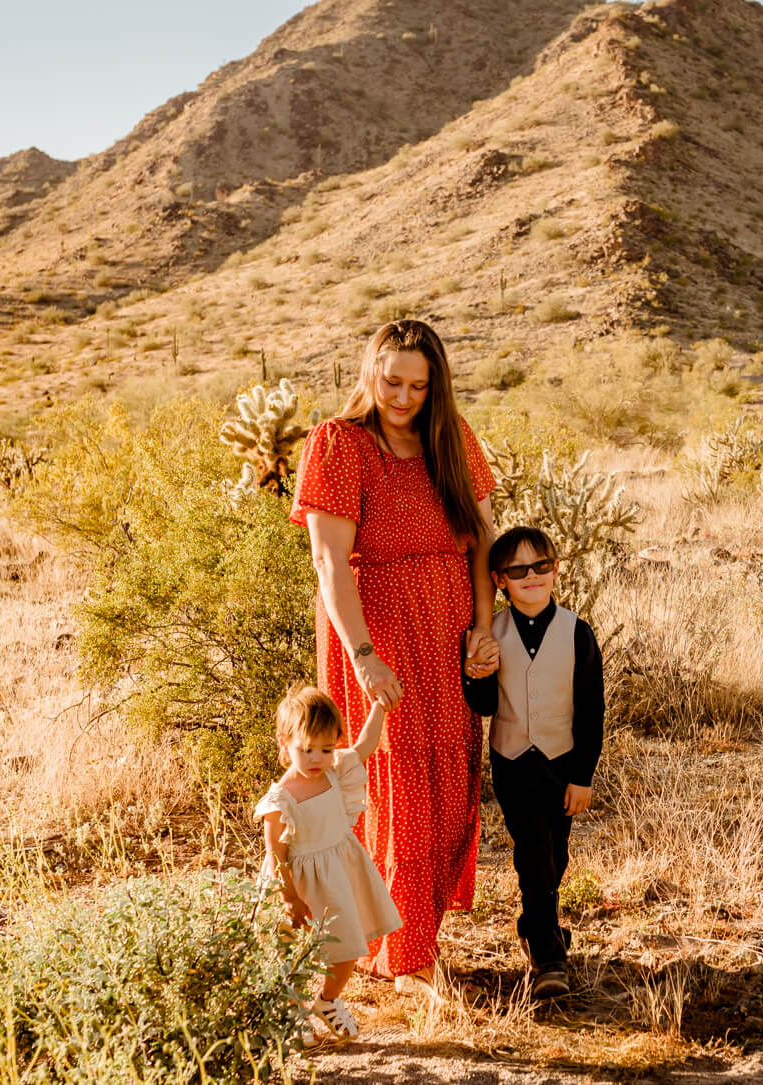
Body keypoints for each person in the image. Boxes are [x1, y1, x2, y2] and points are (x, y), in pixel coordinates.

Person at [290, 319, 497, 995]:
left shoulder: (452, 439)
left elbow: (483, 543)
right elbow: (329, 560)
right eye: (391, 380)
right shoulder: (339, 443)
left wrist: (484, 629)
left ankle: (415, 935)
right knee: (394, 782)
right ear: (369, 371)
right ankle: (404, 957)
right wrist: (364, 655)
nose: (402, 396)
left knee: (448, 784)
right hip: (379, 630)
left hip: (449, 633)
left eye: (417, 384)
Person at [462, 526, 605, 999]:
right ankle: (548, 955)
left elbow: (590, 710)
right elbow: (483, 705)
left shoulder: (576, 631)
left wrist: (582, 777)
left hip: (562, 761)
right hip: (512, 760)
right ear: (500, 579)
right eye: (519, 570)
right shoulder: (489, 633)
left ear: (556, 569)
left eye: (541, 566)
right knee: (534, 851)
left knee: (556, 854)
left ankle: (534, 924)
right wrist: (475, 672)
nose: (532, 577)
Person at [256, 685, 402, 1040]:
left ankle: (328, 1000)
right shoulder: (280, 798)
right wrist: (289, 897)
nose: (318, 758)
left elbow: (366, 745)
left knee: (348, 947)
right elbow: (275, 853)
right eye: (307, 750)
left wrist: (379, 707)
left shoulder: (334, 771)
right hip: (296, 881)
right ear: (284, 742)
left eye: (326, 748)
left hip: (337, 875)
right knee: (291, 953)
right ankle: (292, 1013)